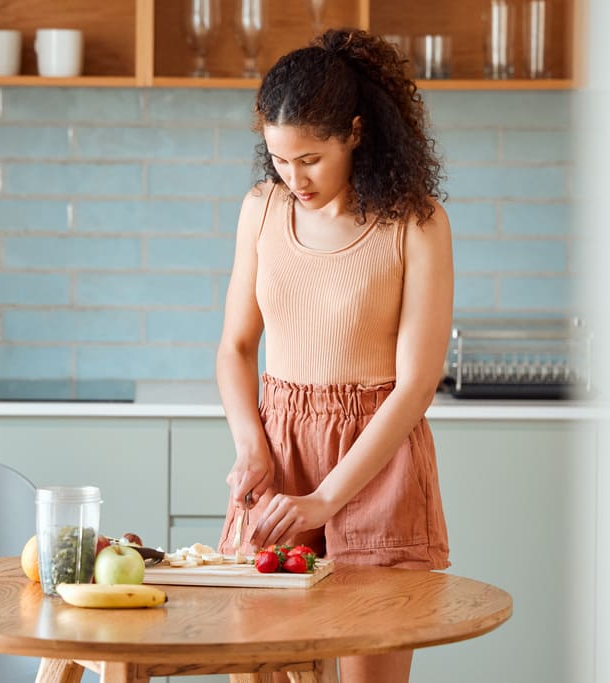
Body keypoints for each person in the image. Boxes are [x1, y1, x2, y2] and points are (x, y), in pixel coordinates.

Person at [215, 28, 454, 683]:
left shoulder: (417, 222)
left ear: (354, 132)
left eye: (311, 159)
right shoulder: (261, 210)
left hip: (377, 464)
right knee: (261, 669)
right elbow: (236, 347)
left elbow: (417, 383)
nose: (295, 179)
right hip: (280, 454)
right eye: (280, 160)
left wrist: (327, 498)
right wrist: (250, 445)